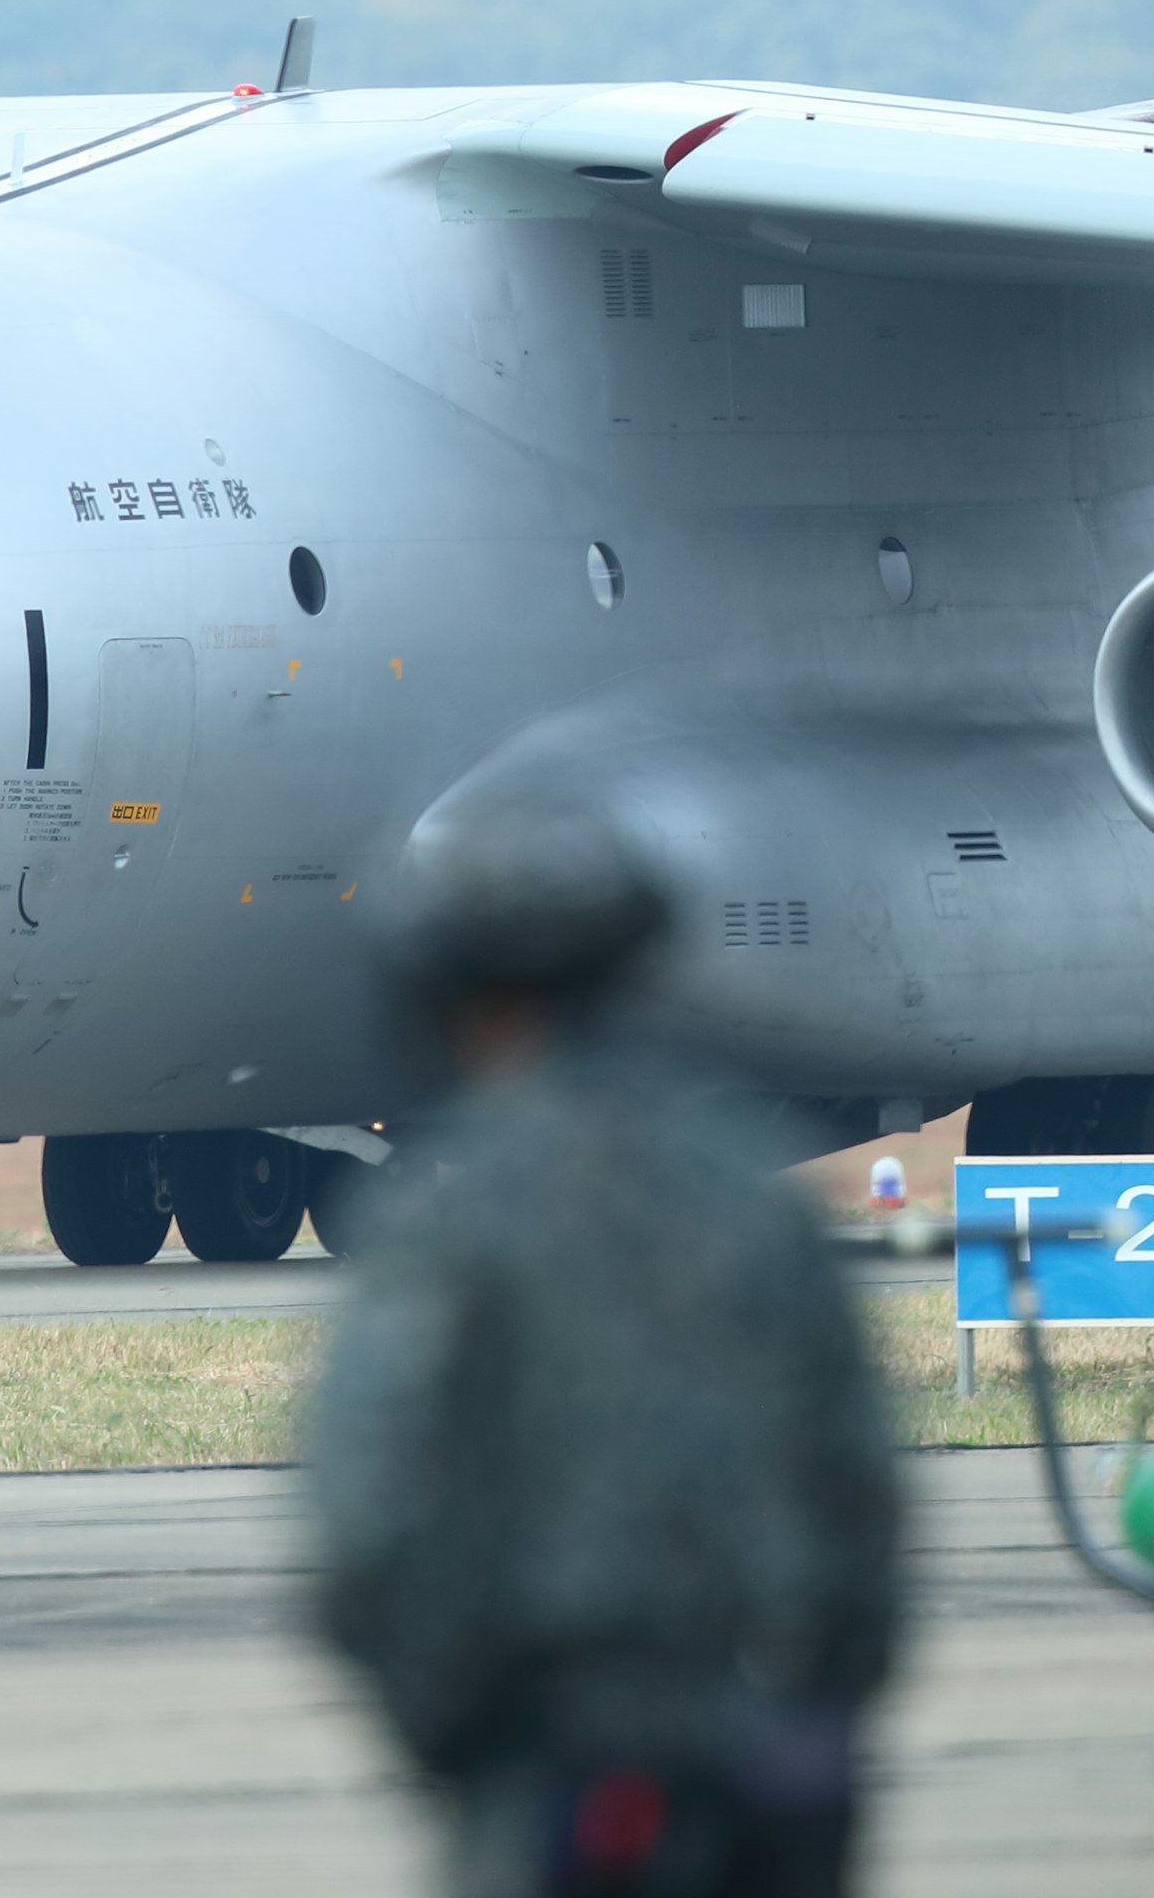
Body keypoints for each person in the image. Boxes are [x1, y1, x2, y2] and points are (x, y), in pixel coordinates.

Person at [309, 796, 902, 1898]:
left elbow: (373, 1520)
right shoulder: (750, 1191)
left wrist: (453, 1734)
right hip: (753, 1743)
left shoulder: (447, 1218)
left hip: (543, 1758)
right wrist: (824, 1715)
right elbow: (858, 1490)